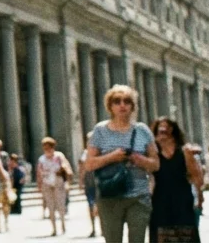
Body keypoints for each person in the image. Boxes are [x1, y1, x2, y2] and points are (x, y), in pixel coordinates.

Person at [82, 84, 159, 243]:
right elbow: (89, 164)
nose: (122, 105)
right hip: (110, 195)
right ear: (110, 106)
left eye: (127, 101)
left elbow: (156, 164)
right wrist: (112, 157)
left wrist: (139, 159)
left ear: (133, 106)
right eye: (117, 101)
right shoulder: (100, 130)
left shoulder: (142, 130)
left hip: (138, 196)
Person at [148, 118, 201, 243]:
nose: (163, 132)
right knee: (161, 236)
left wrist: (199, 194)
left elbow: (196, 176)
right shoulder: (153, 153)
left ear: (173, 131)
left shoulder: (184, 151)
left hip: (182, 199)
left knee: (185, 236)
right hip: (160, 200)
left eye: (167, 129)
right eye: (160, 130)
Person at [37, 136, 71, 236]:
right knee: (50, 206)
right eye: (45, 148)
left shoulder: (59, 156)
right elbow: (39, 172)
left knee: (60, 205)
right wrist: (39, 186)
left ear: (53, 147)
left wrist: (67, 181)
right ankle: (54, 229)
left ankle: (63, 225)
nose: (47, 150)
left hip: (58, 181)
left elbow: (66, 167)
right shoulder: (41, 159)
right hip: (46, 184)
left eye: (48, 147)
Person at [81, 132, 100, 238]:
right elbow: (82, 168)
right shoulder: (85, 154)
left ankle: (102, 228)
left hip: (100, 183)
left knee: (100, 207)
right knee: (90, 206)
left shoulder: (101, 152)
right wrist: (81, 181)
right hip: (89, 183)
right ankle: (93, 228)